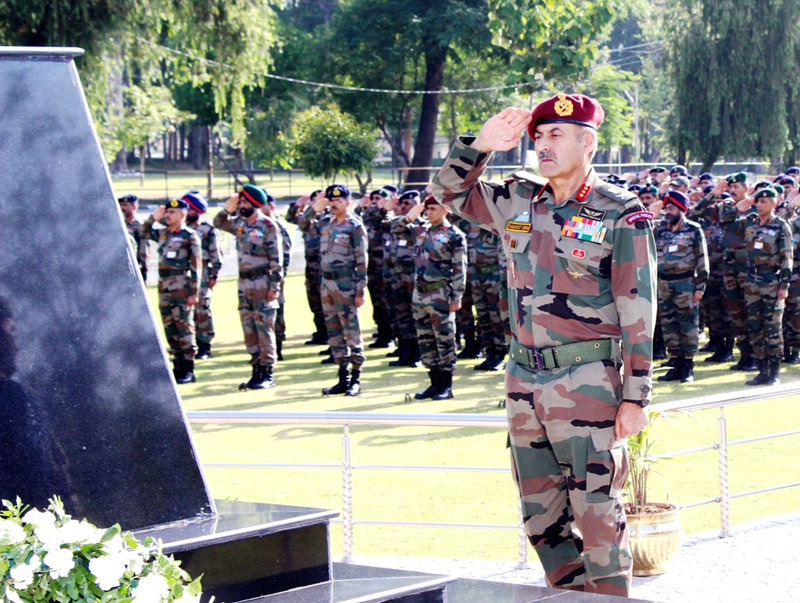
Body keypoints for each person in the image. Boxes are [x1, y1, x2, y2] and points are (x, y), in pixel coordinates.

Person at [432, 95, 656, 597]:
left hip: (589, 383)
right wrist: (481, 146)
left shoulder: (619, 211)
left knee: (597, 518)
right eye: (538, 136)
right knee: (541, 520)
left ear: (588, 141)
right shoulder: (518, 199)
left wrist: (636, 397)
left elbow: (639, 306)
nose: (543, 144)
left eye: (557, 134)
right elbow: (445, 193)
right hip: (524, 381)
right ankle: (572, 596)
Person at [300, 184, 368, 396]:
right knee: (334, 330)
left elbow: (362, 261)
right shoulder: (325, 223)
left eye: (338, 201)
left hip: (346, 284)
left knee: (351, 331)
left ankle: (356, 378)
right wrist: (314, 207)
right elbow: (302, 223)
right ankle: (343, 377)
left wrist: (360, 290)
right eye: (331, 201)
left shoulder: (354, 226)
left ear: (348, 203)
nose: (333, 204)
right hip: (326, 284)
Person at [214, 184, 284, 389]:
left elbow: (276, 260)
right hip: (244, 283)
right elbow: (218, 222)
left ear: (254, 203)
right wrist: (228, 208)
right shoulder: (240, 224)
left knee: (264, 328)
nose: (241, 205)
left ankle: (267, 373)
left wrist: (274, 286)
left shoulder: (268, 226)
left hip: (263, 282)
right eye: (240, 202)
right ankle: (256, 370)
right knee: (249, 328)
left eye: (244, 202)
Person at [397, 195, 466, 400]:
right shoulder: (420, 231)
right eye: (427, 209)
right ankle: (434, 383)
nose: (429, 213)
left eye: (434, 209)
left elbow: (459, 268)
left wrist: (457, 296)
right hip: (420, 294)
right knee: (425, 340)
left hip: (440, 294)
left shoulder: (454, 235)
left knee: (444, 339)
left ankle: (446, 386)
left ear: (445, 210)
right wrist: (410, 216)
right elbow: (396, 230)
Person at [722, 187, 793, 385]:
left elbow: (787, 257)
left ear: (774, 203)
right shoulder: (749, 222)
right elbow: (726, 225)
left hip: (772, 281)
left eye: (764, 202)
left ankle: (775, 371)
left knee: (772, 327)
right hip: (751, 281)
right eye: (758, 201)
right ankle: (762, 369)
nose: (759, 205)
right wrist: (737, 209)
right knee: (755, 326)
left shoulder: (781, 226)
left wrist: (784, 285)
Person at [141, 198, 202, 384]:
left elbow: (196, 266)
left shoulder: (189, 236)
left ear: (182, 215)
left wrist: (194, 292)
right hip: (165, 286)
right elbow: (142, 231)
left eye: (172, 212)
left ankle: (188, 368)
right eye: (167, 212)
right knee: (170, 327)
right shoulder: (164, 234)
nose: (168, 215)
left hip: (182, 287)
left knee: (184, 327)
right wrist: (153, 217)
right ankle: (178, 365)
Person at [652, 190, 708, 383]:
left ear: (682, 208)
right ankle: (675, 363)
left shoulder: (693, 229)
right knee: (669, 325)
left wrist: (700, 287)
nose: (667, 211)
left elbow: (702, 259)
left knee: (688, 325)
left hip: (686, 284)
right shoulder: (659, 229)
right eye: (666, 208)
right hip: (663, 284)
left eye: (671, 208)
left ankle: (688, 367)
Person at [183, 191, 223, 360]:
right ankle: (187, 345)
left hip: (203, 273)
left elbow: (216, 254)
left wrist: (214, 274)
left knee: (202, 310)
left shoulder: (207, 229)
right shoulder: (180, 228)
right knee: (184, 310)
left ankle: (205, 345)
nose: (186, 212)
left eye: (189, 208)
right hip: (182, 273)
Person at [289, 190, 328, 346]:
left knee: (326, 302)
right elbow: (292, 218)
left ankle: (329, 333)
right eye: (313, 201)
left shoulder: (326, 219)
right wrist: (297, 206)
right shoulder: (307, 219)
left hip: (323, 265)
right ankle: (320, 331)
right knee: (314, 301)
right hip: (310, 265)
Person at [264, 193, 292, 361]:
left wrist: (280, 276)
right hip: (257, 278)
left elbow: (285, 254)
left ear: (271, 206)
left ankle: (278, 347)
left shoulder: (278, 226)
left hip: (275, 276)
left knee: (277, 312)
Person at [118, 194, 148, 281]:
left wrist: (144, 267)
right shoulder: (119, 223)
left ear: (134, 207)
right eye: (121, 205)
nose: (122, 208)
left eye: (125, 205)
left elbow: (143, 248)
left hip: (135, 265)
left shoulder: (139, 225)